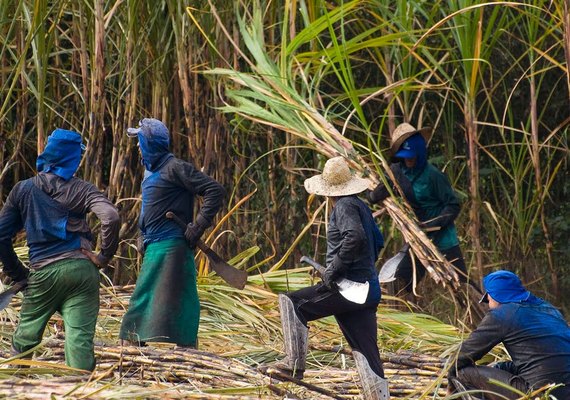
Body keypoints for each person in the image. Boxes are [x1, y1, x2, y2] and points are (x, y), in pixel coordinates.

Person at [0, 128, 120, 371]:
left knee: (25, 337)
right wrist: (103, 256)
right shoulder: (83, 189)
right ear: (73, 159)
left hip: (44, 274)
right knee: (79, 340)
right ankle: (82, 388)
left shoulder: (23, 190)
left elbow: (1, 236)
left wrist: (19, 274)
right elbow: (110, 216)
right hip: (82, 272)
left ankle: (13, 385)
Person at [270, 156, 389, 399]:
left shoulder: (343, 206)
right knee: (367, 353)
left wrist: (335, 269)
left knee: (293, 303)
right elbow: (377, 241)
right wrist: (360, 268)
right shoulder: (361, 207)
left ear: (328, 190)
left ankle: (293, 365)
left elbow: (354, 238)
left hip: (349, 288)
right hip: (368, 288)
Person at [119, 118, 225, 349]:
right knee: (146, 300)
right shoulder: (150, 172)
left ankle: (187, 354)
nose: (137, 146)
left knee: (176, 301)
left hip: (172, 248)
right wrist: (141, 234)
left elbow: (214, 190)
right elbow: (147, 208)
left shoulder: (175, 168)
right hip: (154, 247)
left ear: (149, 143)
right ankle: (135, 354)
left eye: (139, 141)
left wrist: (198, 225)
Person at [368, 122, 469, 293]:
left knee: (462, 285)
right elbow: (377, 194)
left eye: (412, 155)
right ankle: (409, 313)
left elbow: (453, 205)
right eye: (405, 155)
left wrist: (433, 224)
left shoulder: (433, 176)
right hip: (417, 236)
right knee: (402, 281)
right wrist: (374, 194)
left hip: (442, 237)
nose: (409, 160)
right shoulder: (396, 172)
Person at [448, 270, 570, 399]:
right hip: (565, 391)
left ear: (495, 297)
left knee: (462, 373)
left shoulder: (503, 314)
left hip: (540, 394)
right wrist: (498, 368)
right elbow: (543, 359)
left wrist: (450, 382)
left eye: (488, 300)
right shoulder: (549, 309)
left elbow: (462, 355)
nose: (489, 305)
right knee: (502, 367)